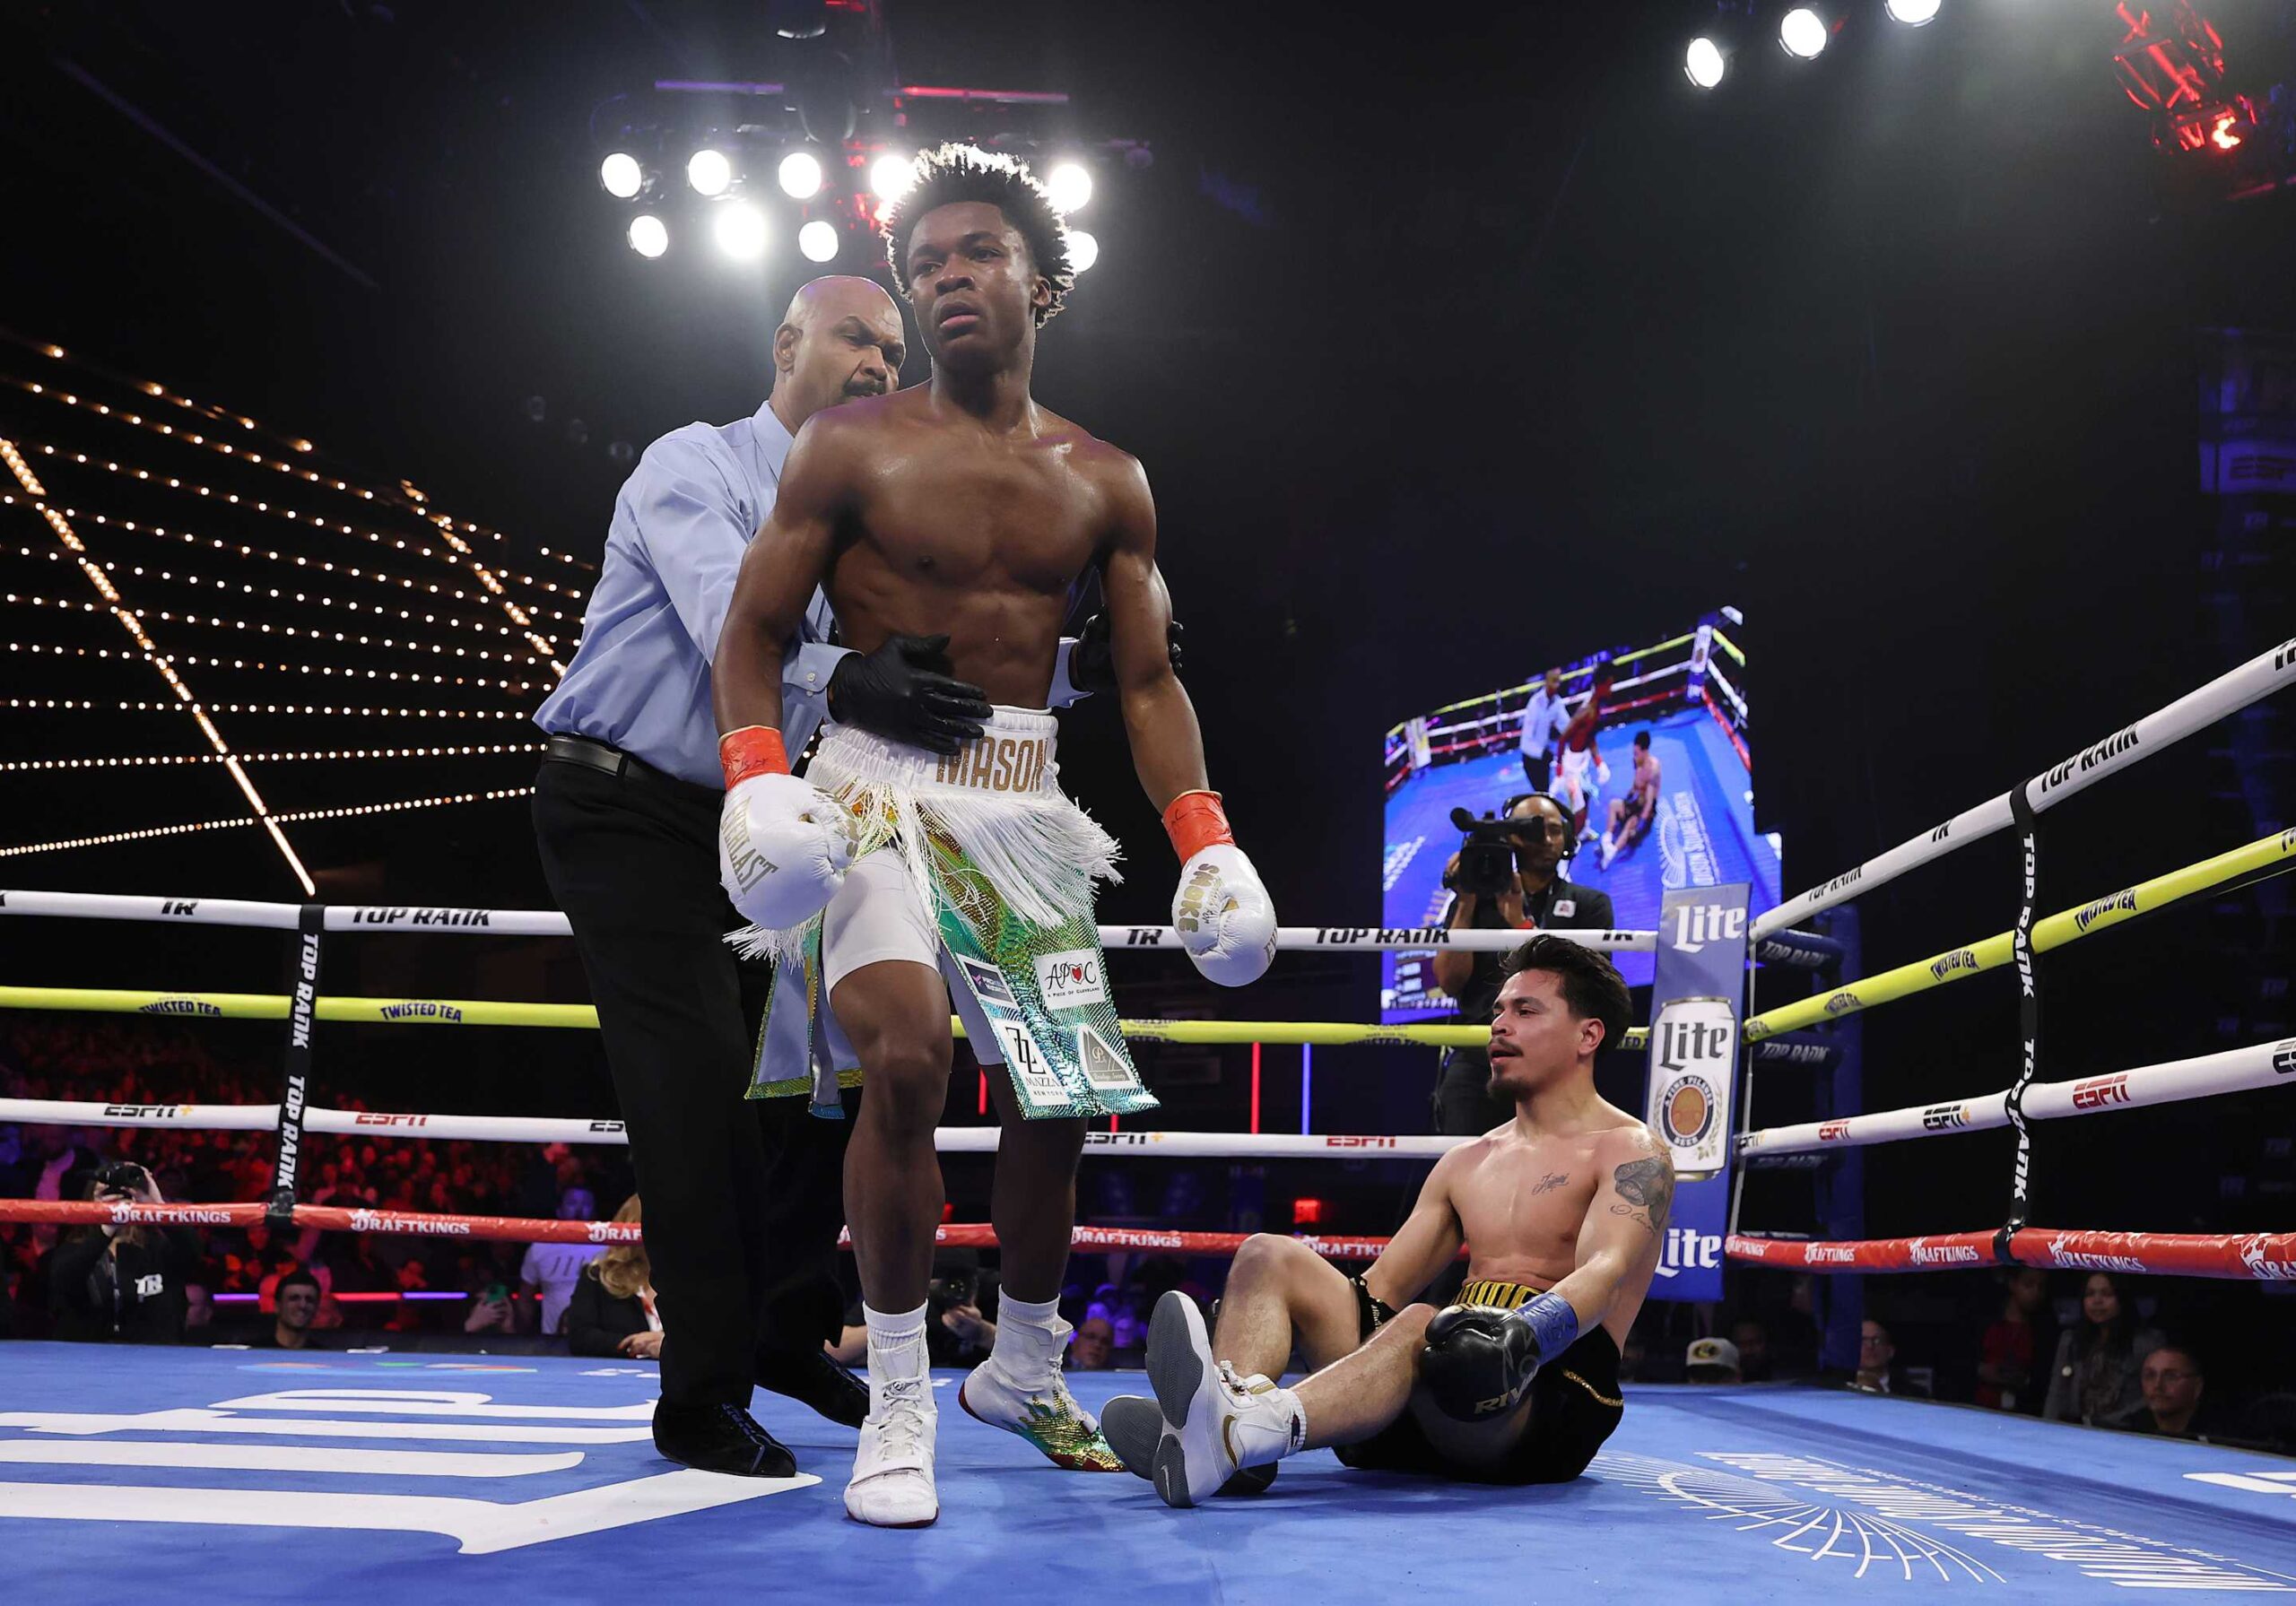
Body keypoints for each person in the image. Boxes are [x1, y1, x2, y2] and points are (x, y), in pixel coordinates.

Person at [709, 143, 1276, 1527]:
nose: (946, 276)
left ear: (1040, 278)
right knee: (902, 1056)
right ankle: (901, 1388)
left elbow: (1145, 679)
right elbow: (753, 630)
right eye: (924, 265)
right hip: (877, 792)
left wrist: (1204, 835)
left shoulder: (1108, 476)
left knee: (1058, 1098)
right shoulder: (846, 444)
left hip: (1025, 805)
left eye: (975, 253)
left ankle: (1021, 1366)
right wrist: (754, 776)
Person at [532, 269, 1151, 1479]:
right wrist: (850, 674)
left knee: (823, 1083)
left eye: (889, 349)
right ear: (786, 343)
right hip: (631, 803)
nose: (877, 362)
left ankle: (780, 1328)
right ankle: (698, 1391)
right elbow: (737, 625)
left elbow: (934, 649)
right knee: (701, 1088)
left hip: (781, 826)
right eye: (856, 339)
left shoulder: (866, 490)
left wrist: (1087, 661)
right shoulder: (694, 466)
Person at [1101, 935, 1662, 1506]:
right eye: (1498, 1010)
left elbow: (1606, 1269)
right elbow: (1379, 1293)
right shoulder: (1468, 1162)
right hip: (1428, 1403)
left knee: (1427, 1324)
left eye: (1526, 1010)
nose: (1500, 1026)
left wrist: (1529, 1332)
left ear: (1588, 1035)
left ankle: (1237, 1430)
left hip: (1544, 1405)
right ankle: (1232, 1432)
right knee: (1270, 1255)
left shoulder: (1629, 1150)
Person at [1429, 793, 1615, 1138]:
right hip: (1479, 1053)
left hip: (1556, 1058)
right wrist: (1467, 900)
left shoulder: (1591, 904)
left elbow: (1594, 985)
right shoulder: (1473, 903)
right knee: (1463, 1161)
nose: (1545, 840)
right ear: (1510, 838)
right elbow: (1450, 981)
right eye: (1533, 831)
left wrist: (1519, 924)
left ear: (1569, 840)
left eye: (1555, 831)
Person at [45, 1164, 201, 1344]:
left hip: (153, 1357)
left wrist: (158, 1207)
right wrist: (106, 1228)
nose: (117, 1202)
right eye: (106, 1194)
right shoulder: (72, 1249)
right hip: (87, 1357)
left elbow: (194, 1253)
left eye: (126, 1194)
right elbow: (62, 1285)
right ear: (90, 1201)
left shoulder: (160, 1248)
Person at [2043, 1272, 2162, 1426]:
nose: (2097, 1301)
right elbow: (2056, 1394)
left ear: (2122, 1299)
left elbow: (2148, 1398)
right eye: (2090, 1294)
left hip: (2125, 1431)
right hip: (2074, 1431)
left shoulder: (2146, 1343)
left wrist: (2104, 1424)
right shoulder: (2071, 1340)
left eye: (2107, 1294)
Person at [568, 1196, 664, 1361]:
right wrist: (638, 1346)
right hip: (621, 1378)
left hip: (681, 1377)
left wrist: (666, 1344)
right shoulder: (598, 1277)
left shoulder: (691, 1280)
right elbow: (580, 1337)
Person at [519, 1187, 608, 1338]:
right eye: (572, 1203)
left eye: (586, 1204)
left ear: (594, 1211)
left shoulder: (608, 1247)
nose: (579, 1208)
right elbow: (525, 1298)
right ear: (559, 1210)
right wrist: (522, 1336)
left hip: (596, 1337)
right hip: (551, 1338)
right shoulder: (540, 1247)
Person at [2105, 1343, 2230, 1441]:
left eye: (2171, 1377)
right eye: (2150, 1375)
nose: (2158, 1385)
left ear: (2197, 1386)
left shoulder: (2221, 1436)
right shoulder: (2130, 1429)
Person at [1976, 1266, 2056, 1413]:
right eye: (2028, 1285)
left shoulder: (2045, 1330)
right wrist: (1980, 1370)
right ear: (2013, 1284)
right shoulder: (1985, 1320)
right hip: (1978, 1407)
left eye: (2041, 1287)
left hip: (2024, 1411)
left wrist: (2025, 1380)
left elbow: (2045, 1377)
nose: (2035, 1293)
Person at [1555, 664, 1615, 842]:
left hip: (1582, 760)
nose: (1611, 690)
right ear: (1601, 685)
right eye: (1610, 685)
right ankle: (1566, 846)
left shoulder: (1596, 708)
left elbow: (1590, 737)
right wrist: (1559, 769)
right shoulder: (1586, 711)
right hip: (1570, 767)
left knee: (1587, 796)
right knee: (1578, 812)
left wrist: (1599, 763)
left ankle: (1583, 831)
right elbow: (1562, 739)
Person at [1598, 730, 1660, 871]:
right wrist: (1628, 798)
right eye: (1634, 753)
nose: (1634, 756)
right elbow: (1635, 783)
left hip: (1646, 809)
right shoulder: (1637, 761)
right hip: (1636, 801)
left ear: (1645, 751)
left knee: (1630, 825)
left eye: (1637, 753)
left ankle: (1611, 853)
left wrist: (1640, 825)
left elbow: (1649, 802)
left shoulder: (1653, 770)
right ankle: (1606, 840)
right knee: (1614, 805)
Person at [1516, 667, 1569, 793]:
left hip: (1544, 755)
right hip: (1531, 757)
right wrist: (1542, 753)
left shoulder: (1557, 702)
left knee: (1546, 792)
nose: (1556, 685)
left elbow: (1566, 726)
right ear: (1546, 682)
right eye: (1553, 681)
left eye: (1558, 681)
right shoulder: (1535, 704)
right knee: (1542, 793)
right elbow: (1526, 740)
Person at [252, 1268, 324, 1350]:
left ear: (317, 1308)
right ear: (277, 1306)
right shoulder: (252, 1352)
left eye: (309, 1300)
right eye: (294, 1298)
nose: (302, 1305)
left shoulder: (327, 1357)